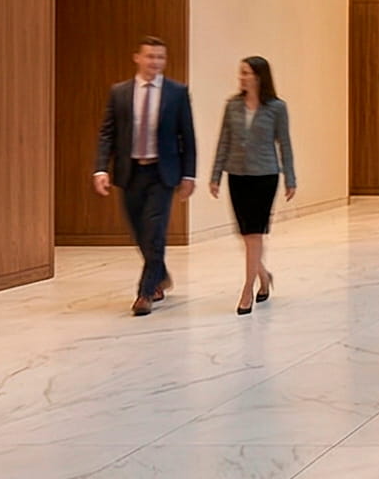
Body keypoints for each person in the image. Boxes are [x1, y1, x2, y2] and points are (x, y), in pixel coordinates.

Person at [94, 35, 196, 315]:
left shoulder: (177, 93)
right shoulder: (120, 92)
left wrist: (189, 175)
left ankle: (145, 292)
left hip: (162, 173)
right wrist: (101, 168)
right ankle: (160, 274)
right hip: (130, 172)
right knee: (139, 231)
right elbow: (107, 133)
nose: (155, 62)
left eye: (160, 57)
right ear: (137, 58)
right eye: (150, 56)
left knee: (155, 231)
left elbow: (187, 136)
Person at [208, 55, 298, 316]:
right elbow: (224, 141)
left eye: (246, 73)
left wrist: (290, 178)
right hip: (237, 175)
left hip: (265, 176)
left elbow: (285, 143)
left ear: (259, 77)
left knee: (254, 234)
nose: (242, 77)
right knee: (245, 234)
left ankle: (248, 289)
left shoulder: (277, 108)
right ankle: (264, 275)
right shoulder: (232, 106)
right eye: (241, 72)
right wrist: (216, 175)